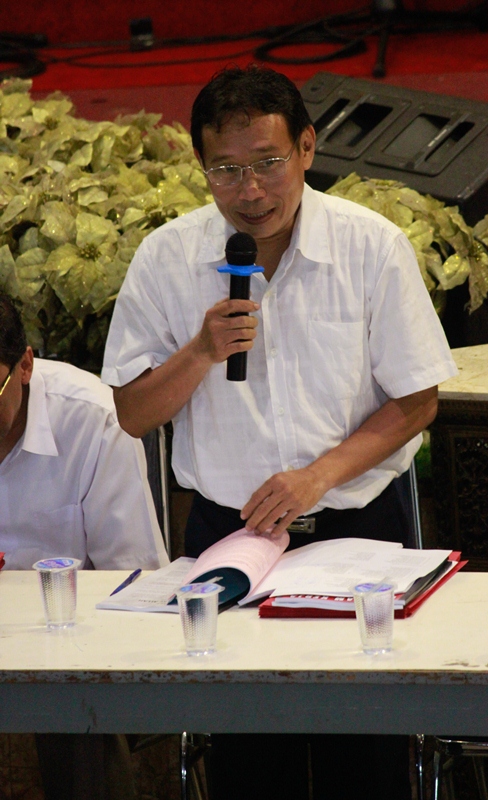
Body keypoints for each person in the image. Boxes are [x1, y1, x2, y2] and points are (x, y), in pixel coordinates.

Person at [102, 66, 458, 800]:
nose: (250, 191)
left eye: (268, 163)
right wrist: (200, 353)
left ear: (306, 148)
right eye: (226, 171)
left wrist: (316, 477)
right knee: (249, 762)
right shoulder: (167, 258)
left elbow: (417, 401)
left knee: (365, 763)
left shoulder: (370, 246)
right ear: (201, 165)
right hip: (226, 539)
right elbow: (133, 414)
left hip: (359, 532)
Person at [0, 293, 169, 800]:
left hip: (68, 645)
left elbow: (135, 581)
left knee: (75, 713)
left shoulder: (93, 420)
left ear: (25, 366)